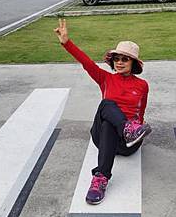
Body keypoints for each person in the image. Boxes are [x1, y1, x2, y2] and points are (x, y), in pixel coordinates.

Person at [54, 18, 151, 204]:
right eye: (117, 59)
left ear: (133, 64)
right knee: (107, 106)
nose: (120, 63)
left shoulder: (142, 85)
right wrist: (67, 43)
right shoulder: (105, 78)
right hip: (104, 139)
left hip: (127, 144)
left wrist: (137, 130)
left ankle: (129, 132)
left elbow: (141, 111)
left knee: (110, 119)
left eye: (125, 59)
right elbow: (87, 63)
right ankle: (101, 178)